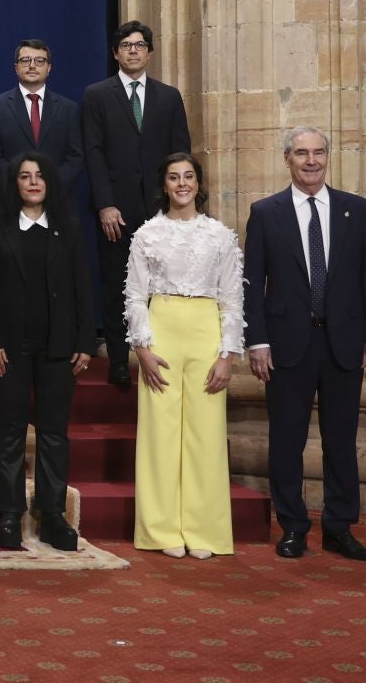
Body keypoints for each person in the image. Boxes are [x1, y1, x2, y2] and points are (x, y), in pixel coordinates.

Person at [244, 127, 366, 562]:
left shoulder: (354, 209)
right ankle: (292, 527)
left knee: (340, 441)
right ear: (286, 159)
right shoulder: (265, 212)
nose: (311, 161)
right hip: (287, 344)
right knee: (286, 442)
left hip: (343, 342)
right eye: (302, 153)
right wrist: (257, 341)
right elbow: (252, 284)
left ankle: (339, 528)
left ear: (328, 157)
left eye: (319, 153)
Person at [0, 150, 93, 552]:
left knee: (54, 432)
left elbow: (81, 287)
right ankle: (9, 514)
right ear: (15, 184)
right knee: (10, 430)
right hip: (8, 347)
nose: (33, 182)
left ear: (50, 182)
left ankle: (52, 516)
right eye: (25, 176)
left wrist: (84, 341)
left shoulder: (69, 227)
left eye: (40, 175)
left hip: (58, 346)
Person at [126, 152, 244, 559]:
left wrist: (227, 355)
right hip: (162, 329)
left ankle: (203, 529)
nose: (181, 184)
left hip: (205, 331)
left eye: (188, 177)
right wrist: (142, 348)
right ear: (164, 185)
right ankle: (161, 529)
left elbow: (232, 300)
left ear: (198, 183)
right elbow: (135, 297)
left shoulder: (220, 236)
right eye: (174, 177)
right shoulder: (146, 234)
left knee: (205, 435)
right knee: (159, 434)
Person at [83, 21, 193, 385]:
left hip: (162, 211)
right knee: (117, 286)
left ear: (149, 51)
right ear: (115, 52)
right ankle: (118, 360)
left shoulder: (168, 96)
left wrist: (176, 204)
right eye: (126, 45)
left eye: (140, 44)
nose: (133, 50)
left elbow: (181, 154)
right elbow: (93, 153)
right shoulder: (97, 95)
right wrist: (104, 204)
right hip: (116, 211)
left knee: (160, 286)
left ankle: (158, 356)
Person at [0, 38, 83, 197]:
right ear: (16, 67)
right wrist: (20, 186)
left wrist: (50, 186)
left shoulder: (68, 109)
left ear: (49, 68)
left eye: (40, 61)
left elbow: (75, 156)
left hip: (57, 201)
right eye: (26, 60)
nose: (33, 66)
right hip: (11, 201)